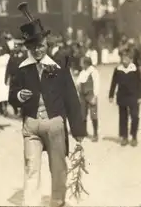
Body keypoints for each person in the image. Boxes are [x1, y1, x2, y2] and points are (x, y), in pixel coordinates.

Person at [8, 11, 85, 207]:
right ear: (28, 48)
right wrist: (18, 96)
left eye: (41, 46)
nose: (37, 50)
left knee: (58, 168)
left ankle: (58, 201)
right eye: (33, 47)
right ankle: (31, 203)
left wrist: (78, 131)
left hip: (55, 125)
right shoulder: (22, 68)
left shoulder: (59, 68)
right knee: (31, 167)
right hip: (31, 126)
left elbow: (71, 100)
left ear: (47, 45)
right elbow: (12, 95)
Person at [109, 49, 141, 147]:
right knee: (123, 117)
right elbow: (113, 83)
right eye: (123, 57)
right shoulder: (118, 69)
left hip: (134, 96)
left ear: (131, 59)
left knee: (134, 116)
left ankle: (134, 137)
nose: (124, 59)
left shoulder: (135, 69)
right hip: (122, 96)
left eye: (126, 57)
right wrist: (111, 95)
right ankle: (124, 137)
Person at [76, 56, 100, 142]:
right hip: (82, 96)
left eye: (81, 62)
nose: (80, 64)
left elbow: (96, 84)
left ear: (86, 63)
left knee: (93, 114)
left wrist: (95, 96)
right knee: (82, 114)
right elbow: (78, 82)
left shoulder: (93, 71)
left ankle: (95, 133)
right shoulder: (82, 72)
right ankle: (83, 132)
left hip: (91, 95)